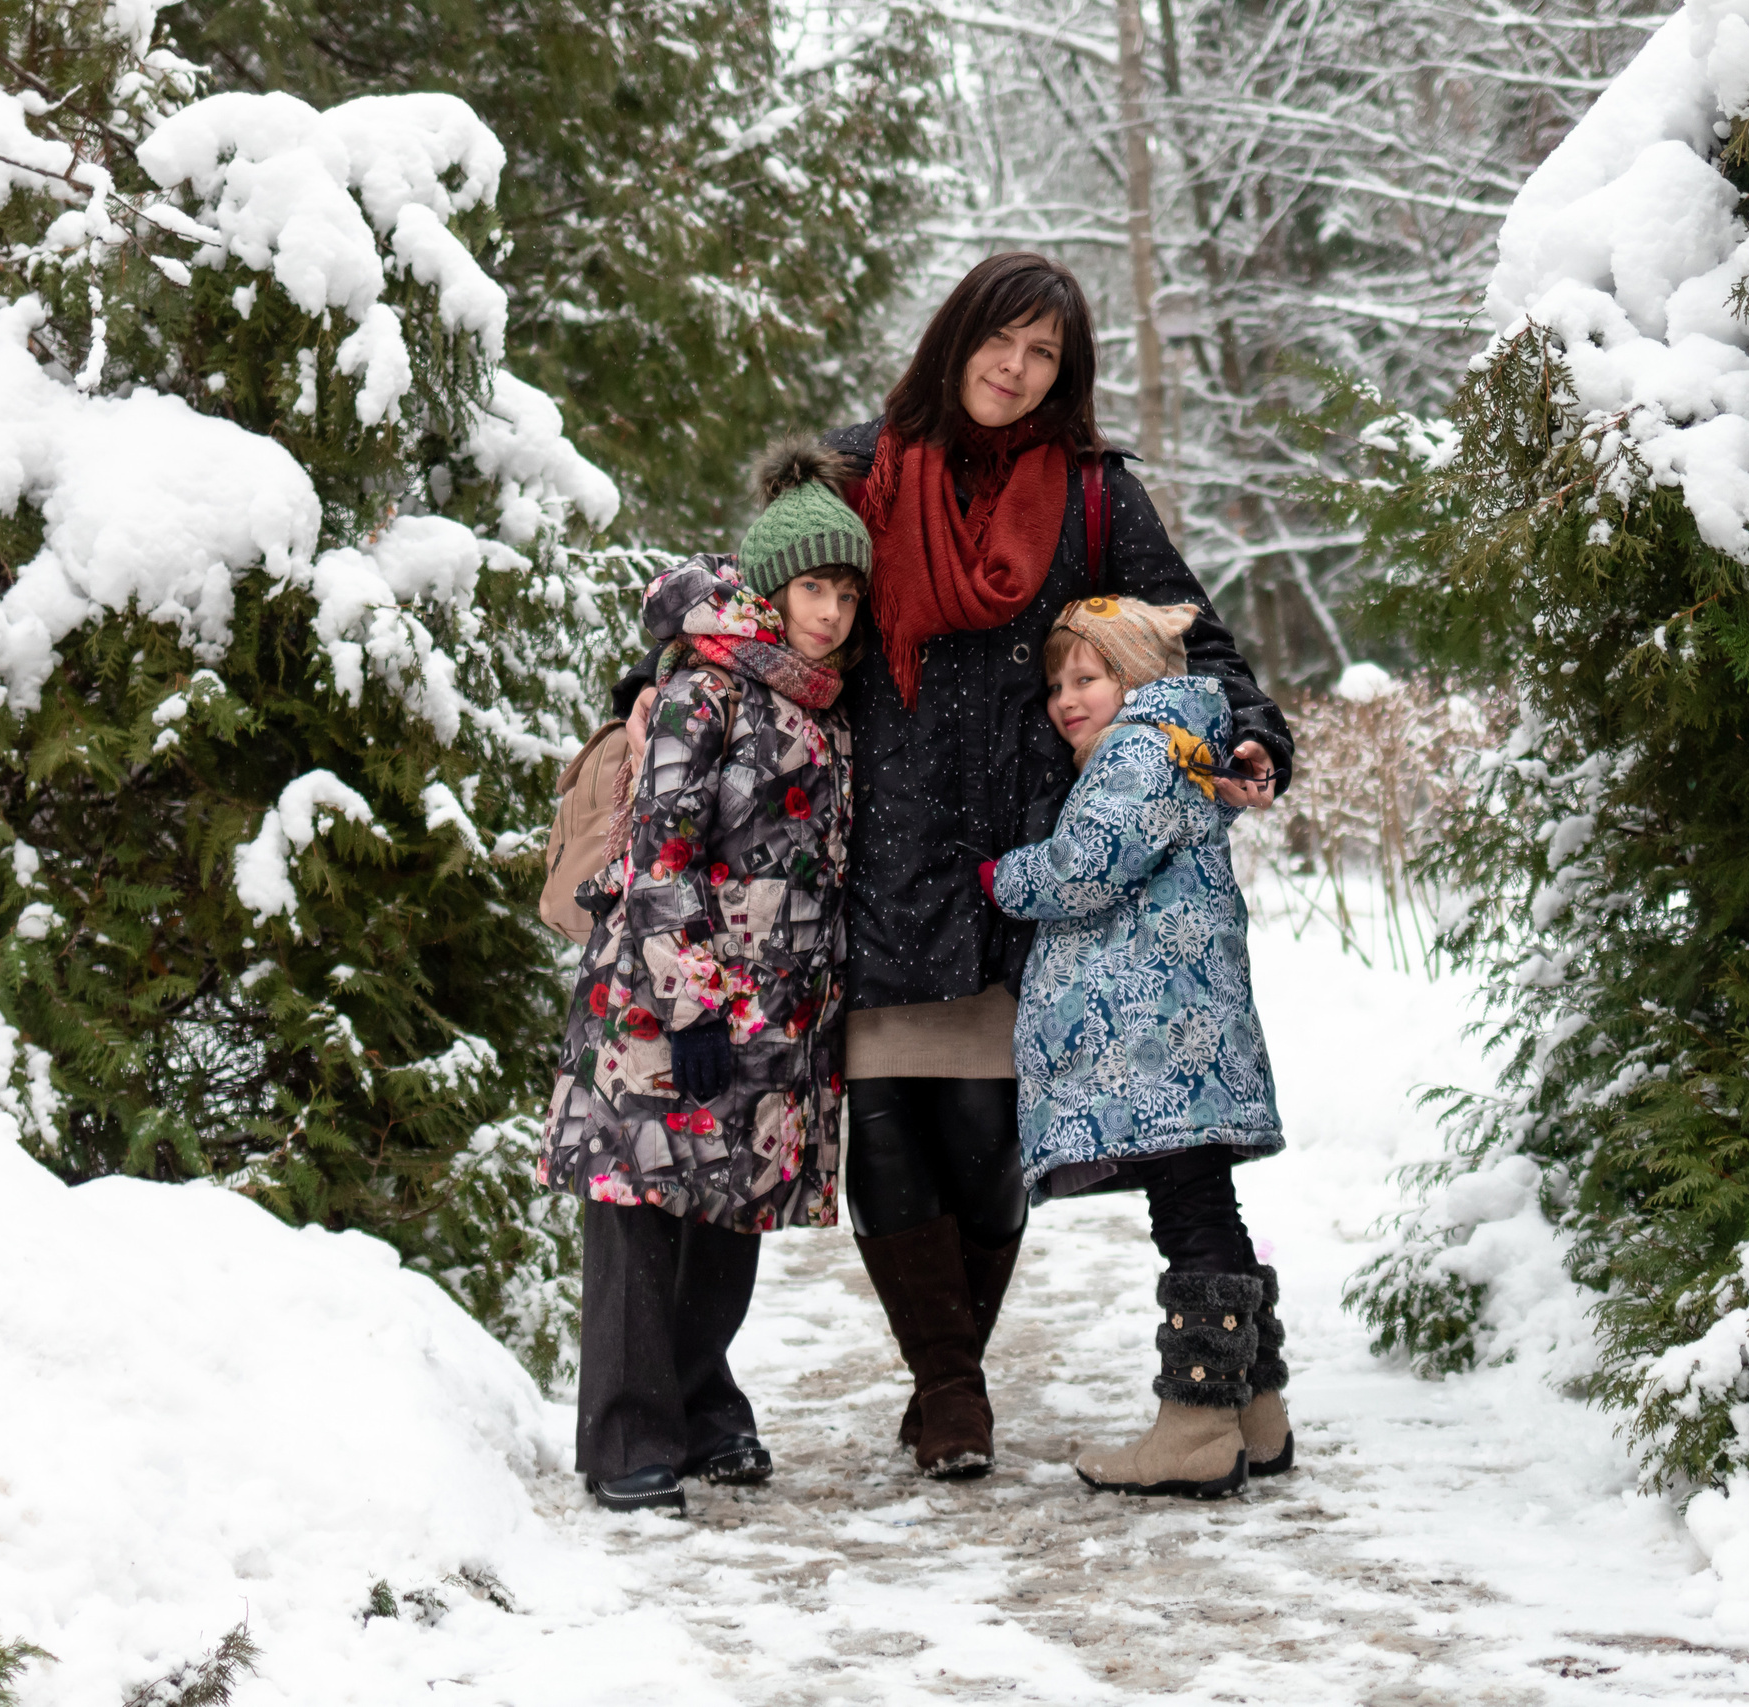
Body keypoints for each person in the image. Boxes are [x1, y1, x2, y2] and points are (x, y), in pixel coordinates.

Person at [614, 253, 1292, 1479]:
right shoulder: (860, 472)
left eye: (1044, 355)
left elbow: (1193, 635)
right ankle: (949, 1387)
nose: (1015, 370)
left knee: (986, 1134)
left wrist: (1244, 729)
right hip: (872, 848)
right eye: (1002, 341)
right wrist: (667, 683)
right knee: (885, 1123)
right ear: (957, 335)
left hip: (1022, 859)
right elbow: (759, 603)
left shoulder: (1090, 496)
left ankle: (953, 1370)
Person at [540, 439, 869, 1514]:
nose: (831, 611)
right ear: (772, 587)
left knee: (730, 1209)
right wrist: (691, 1002)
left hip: (775, 1012)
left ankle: (698, 1403)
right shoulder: (704, 694)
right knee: (638, 1204)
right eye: (815, 586)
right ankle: (627, 1436)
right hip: (662, 999)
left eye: (847, 592)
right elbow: (654, 858)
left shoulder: (822, 704)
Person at [986, 595, 1288, 1499]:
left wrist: (1003, 874)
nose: (1066, 700)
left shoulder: (1139, 750)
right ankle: (1253, 1412)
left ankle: (1197, 1427)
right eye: (1056, 685)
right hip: (1183, 1035)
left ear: (1139, 680)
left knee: (1189, 1218)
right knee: (1208, 1210)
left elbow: (1086, 864)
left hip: (1157, 1041)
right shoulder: (1183, 747)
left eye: (1088, 678)